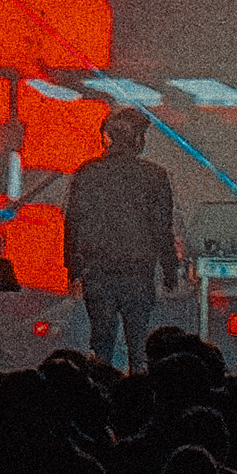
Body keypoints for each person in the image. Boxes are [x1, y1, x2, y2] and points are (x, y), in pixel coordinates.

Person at [65, 109, 183, 368]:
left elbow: (73, 225)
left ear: (107, 138)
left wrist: (73, 272)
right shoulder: (154, 176)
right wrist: (170, 272)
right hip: (138, 273)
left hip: (98, 272)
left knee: (101, 347)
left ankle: (101, 389)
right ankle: (138, 390)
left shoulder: (88, 174)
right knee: (139, 348)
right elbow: (162, 229)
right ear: (138, 139)